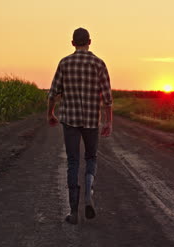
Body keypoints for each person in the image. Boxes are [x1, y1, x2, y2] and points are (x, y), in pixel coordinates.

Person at [47, 27, 113, 224]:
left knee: (73, 161)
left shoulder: (65, 63)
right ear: (90, 41)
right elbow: (107, 98)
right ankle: (88, 194)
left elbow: (53, 93)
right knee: (91, 157)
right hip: (92, 120)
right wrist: (108, 121)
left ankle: (74, 212)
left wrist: (50, 113)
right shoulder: (99, 64)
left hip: (70, 120)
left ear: (73, 43)